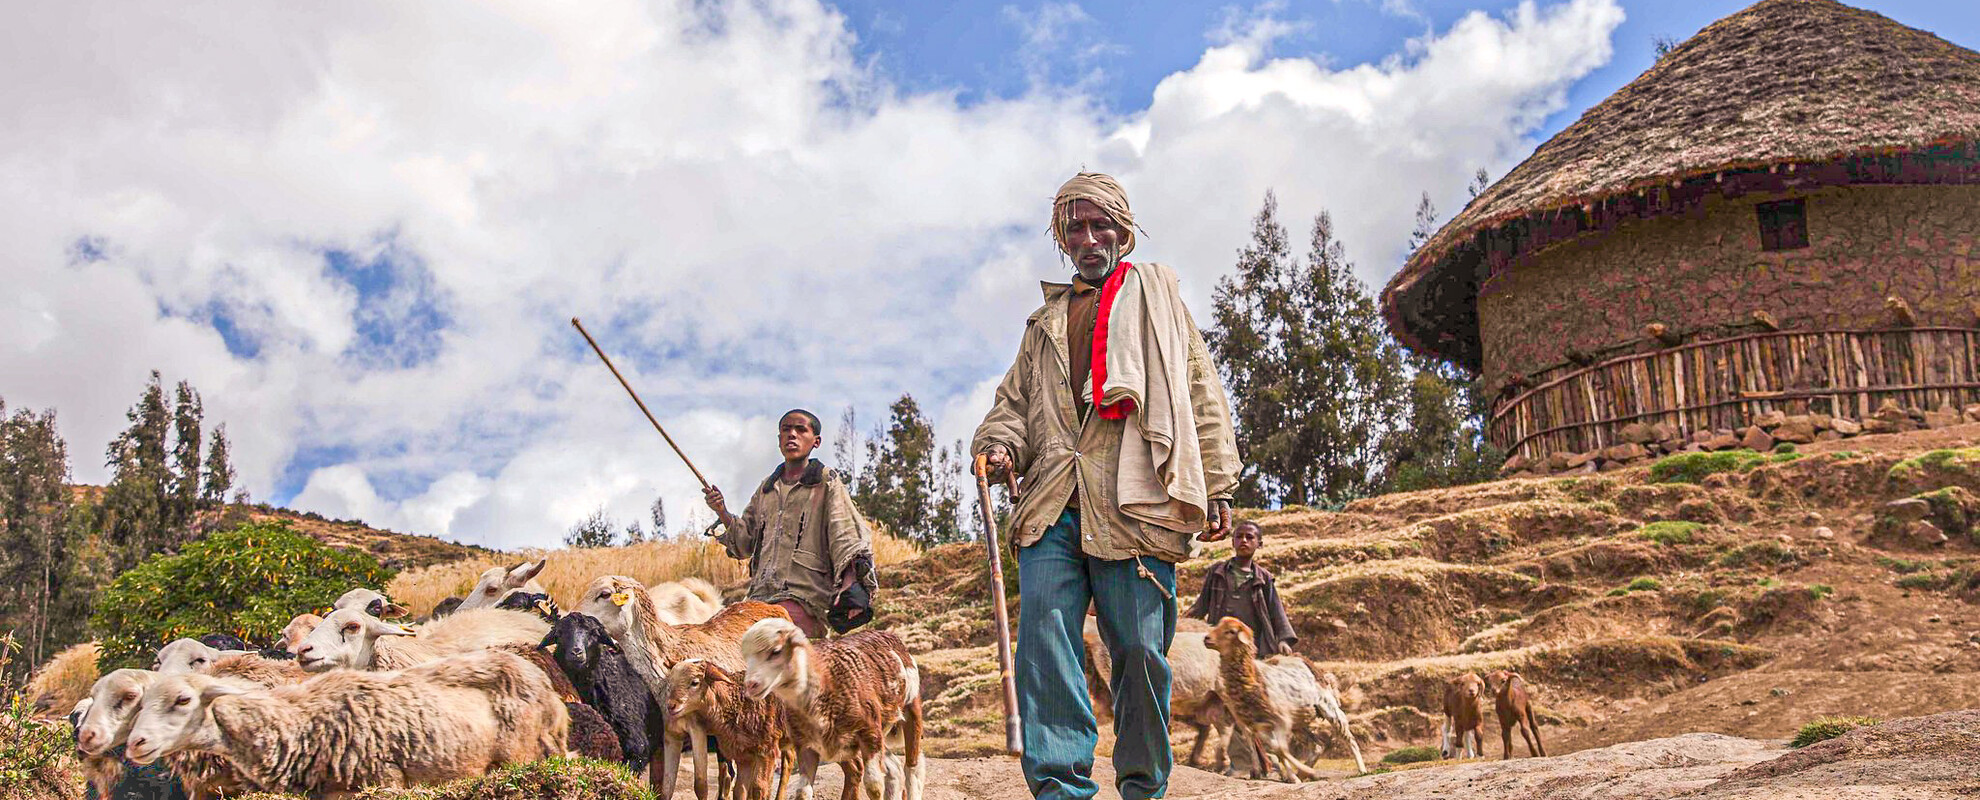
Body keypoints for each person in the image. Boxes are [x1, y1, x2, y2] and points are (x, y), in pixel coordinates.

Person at [973, 171, 1241, 800]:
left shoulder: (1157, 302)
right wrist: (998, 442)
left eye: (1101, 225)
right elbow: (1013, 403)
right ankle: (1061, 787)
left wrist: (1219, 482)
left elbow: (1199, 389)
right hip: (1052, 502)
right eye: (1075, 228)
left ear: (1123, 229)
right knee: (1045, 642)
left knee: (1143, 653)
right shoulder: (1044, 324)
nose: (1089, 238)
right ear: (1061, 240)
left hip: (1134, 500)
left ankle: (1143, 786)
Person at [703, 409, 875, 638]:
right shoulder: (766, 489)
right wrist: (722, 511)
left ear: (816, 441)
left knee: (770, 641)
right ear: (779, 440)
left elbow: (846, 535)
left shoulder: (825, 481)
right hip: (759, 598)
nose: (792, 435)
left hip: (804, 598)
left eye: (801, 429)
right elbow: (744, 544)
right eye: (786, 430)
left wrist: (851, 587)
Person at [1186, 519, 1296, 656]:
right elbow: (1201, 606)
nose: (1244, 540)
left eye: (1250, 537)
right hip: (1220, 644)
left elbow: (1276, 612)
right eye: (1239, 537)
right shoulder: (1217, 572)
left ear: (1259, 544)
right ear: (1233, 542)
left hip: (1252, 647)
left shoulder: (1264, 578)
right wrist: (1182, 624)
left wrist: (1283, 640)